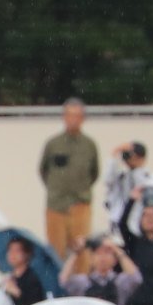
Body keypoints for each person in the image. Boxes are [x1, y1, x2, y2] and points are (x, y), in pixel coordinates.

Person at [38, 98, 100, 257]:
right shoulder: (53, 144)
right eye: (69, 115)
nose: (73, 119)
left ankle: (82, 281)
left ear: (83, 119)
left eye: (77, 116)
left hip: (80, 204)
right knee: (55, 252)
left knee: (82, 250)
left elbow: (95, 173)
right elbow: (43, 171)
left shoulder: (89, 145)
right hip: (56, 205)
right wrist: (56, 189)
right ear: (64, 117)